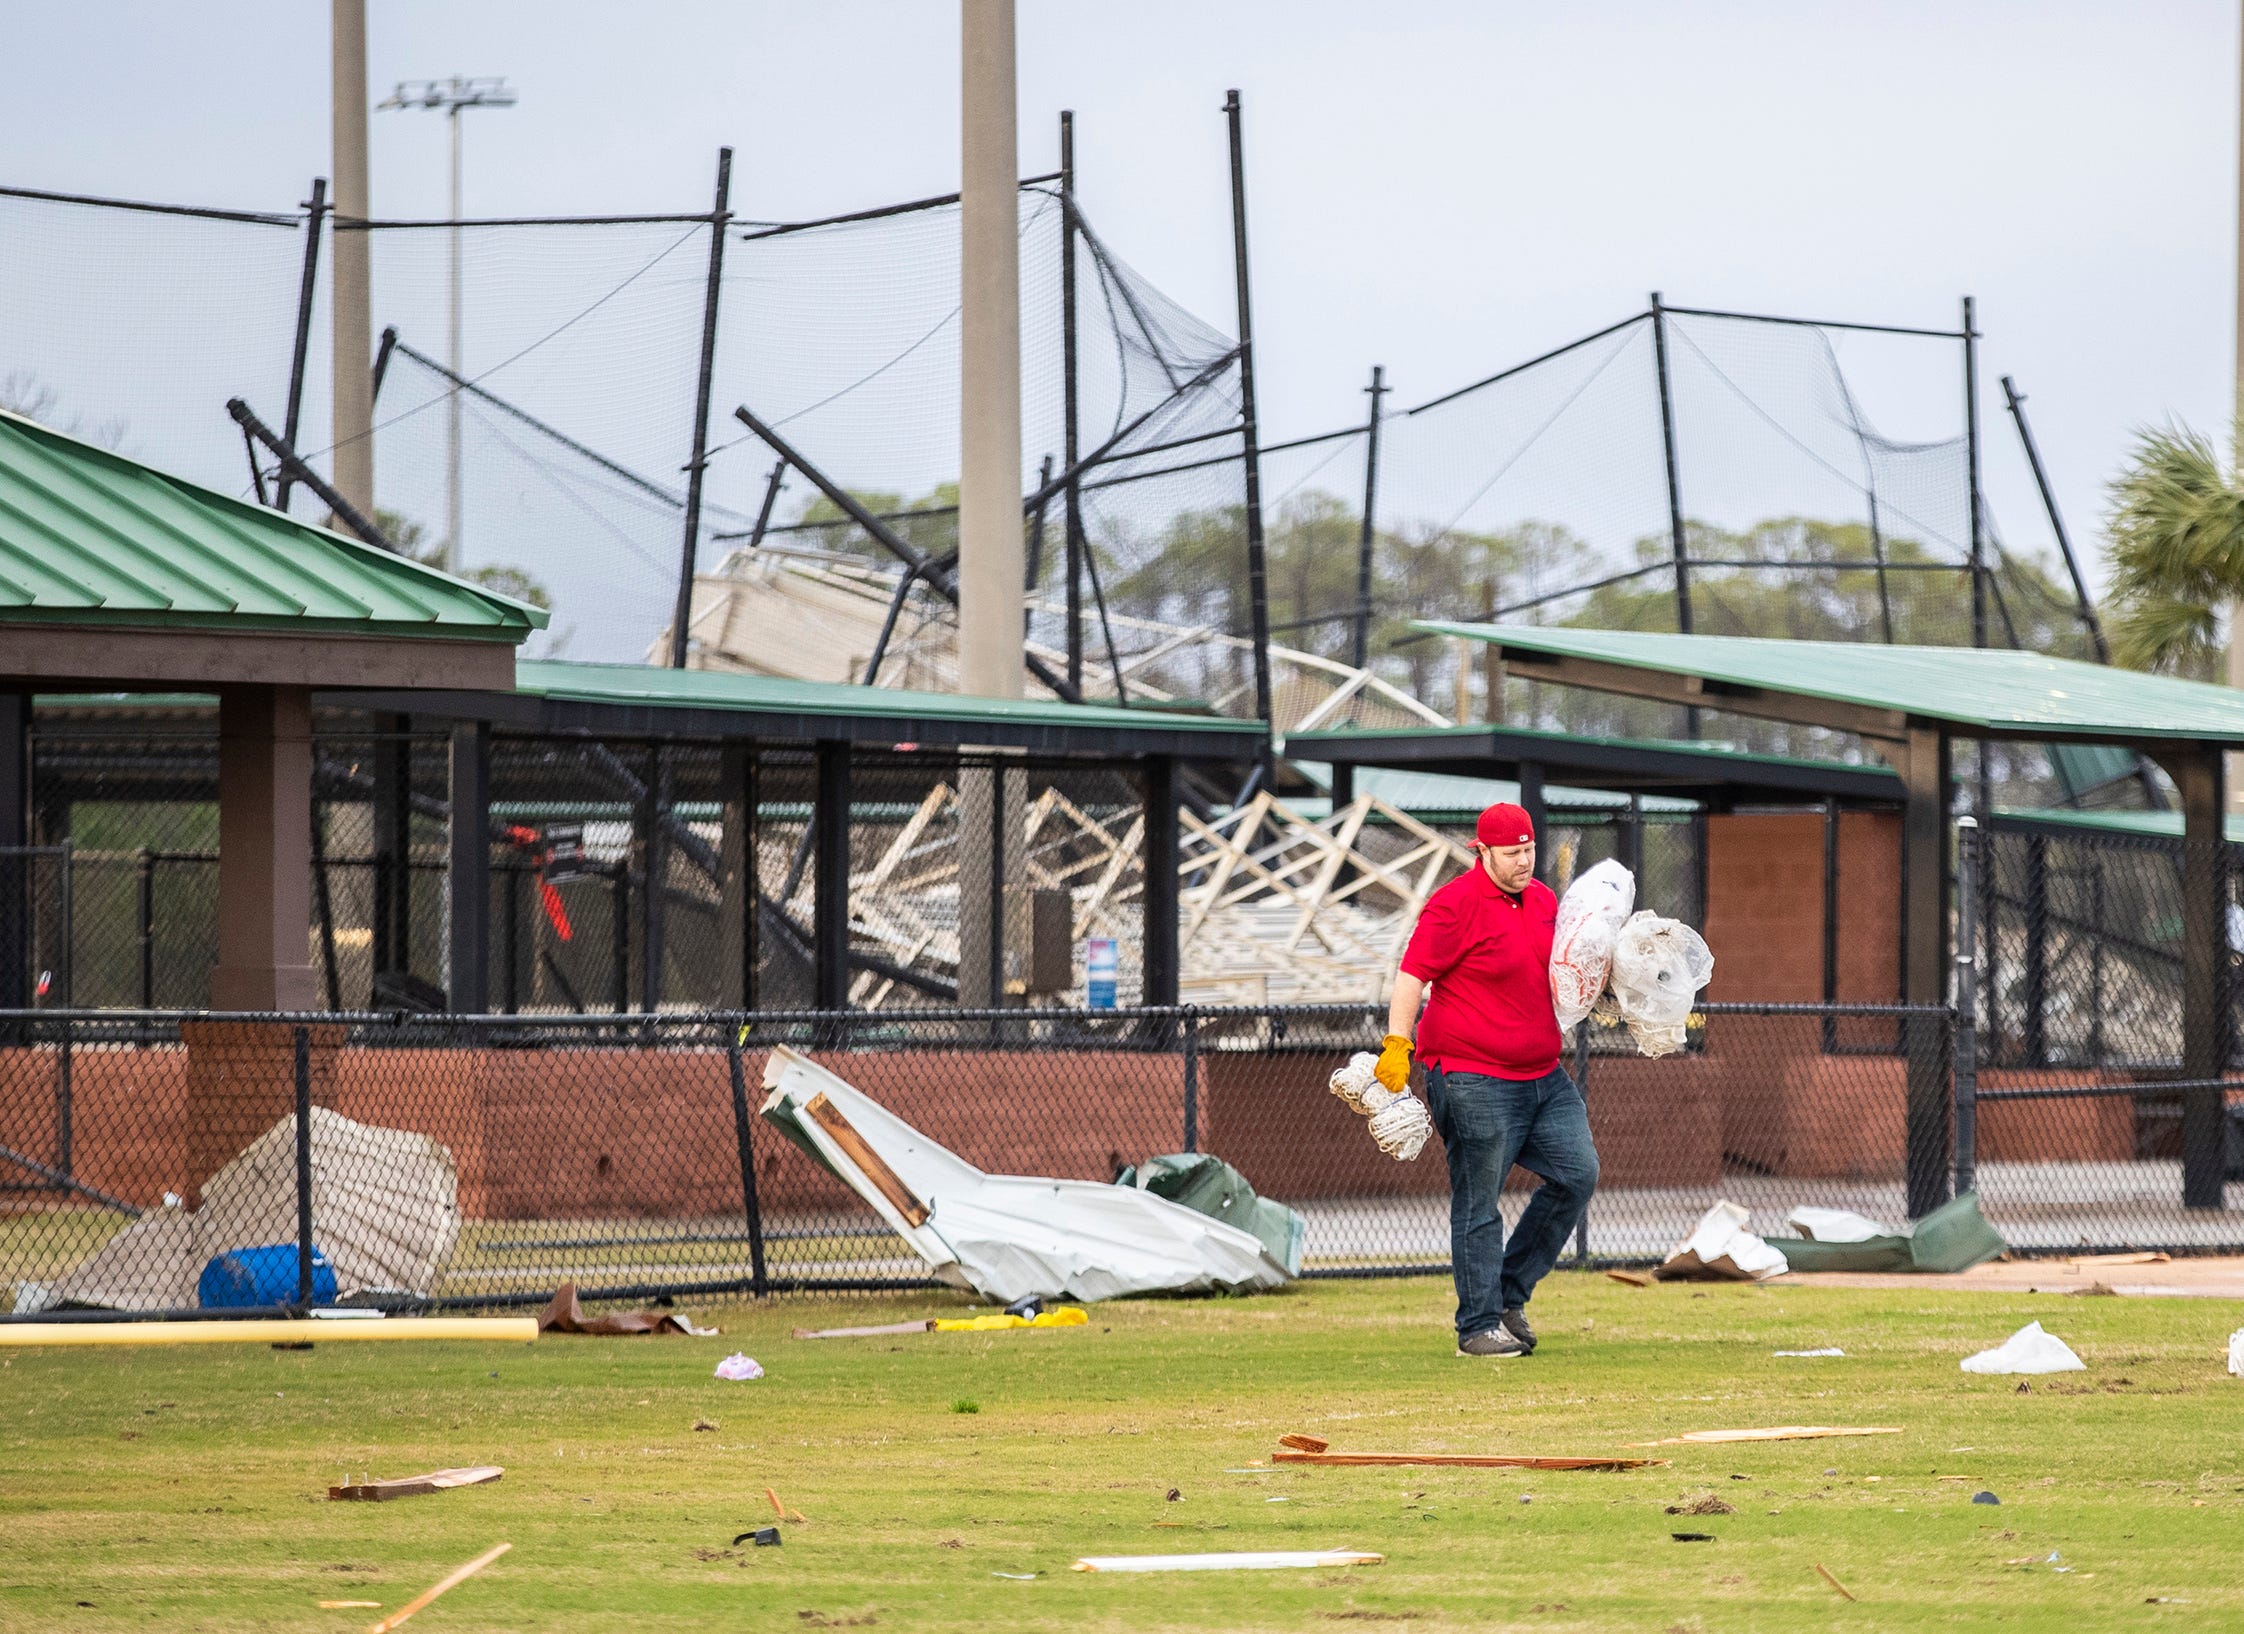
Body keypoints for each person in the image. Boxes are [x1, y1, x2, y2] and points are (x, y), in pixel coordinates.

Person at [1375, 801, 1598, 1357]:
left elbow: (1568, 969)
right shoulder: (1453, 905)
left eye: (1529, 850)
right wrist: (1398, 1045)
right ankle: (1476, 1328)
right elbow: (1410, 978)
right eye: (1512, 853)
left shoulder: (1545, 901)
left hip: (1544, 1075)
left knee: (1578, 1174)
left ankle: (1506, 1296)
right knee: (1480, 1203)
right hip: (1473, 1076)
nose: (1525, 861)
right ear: (1483, 852)